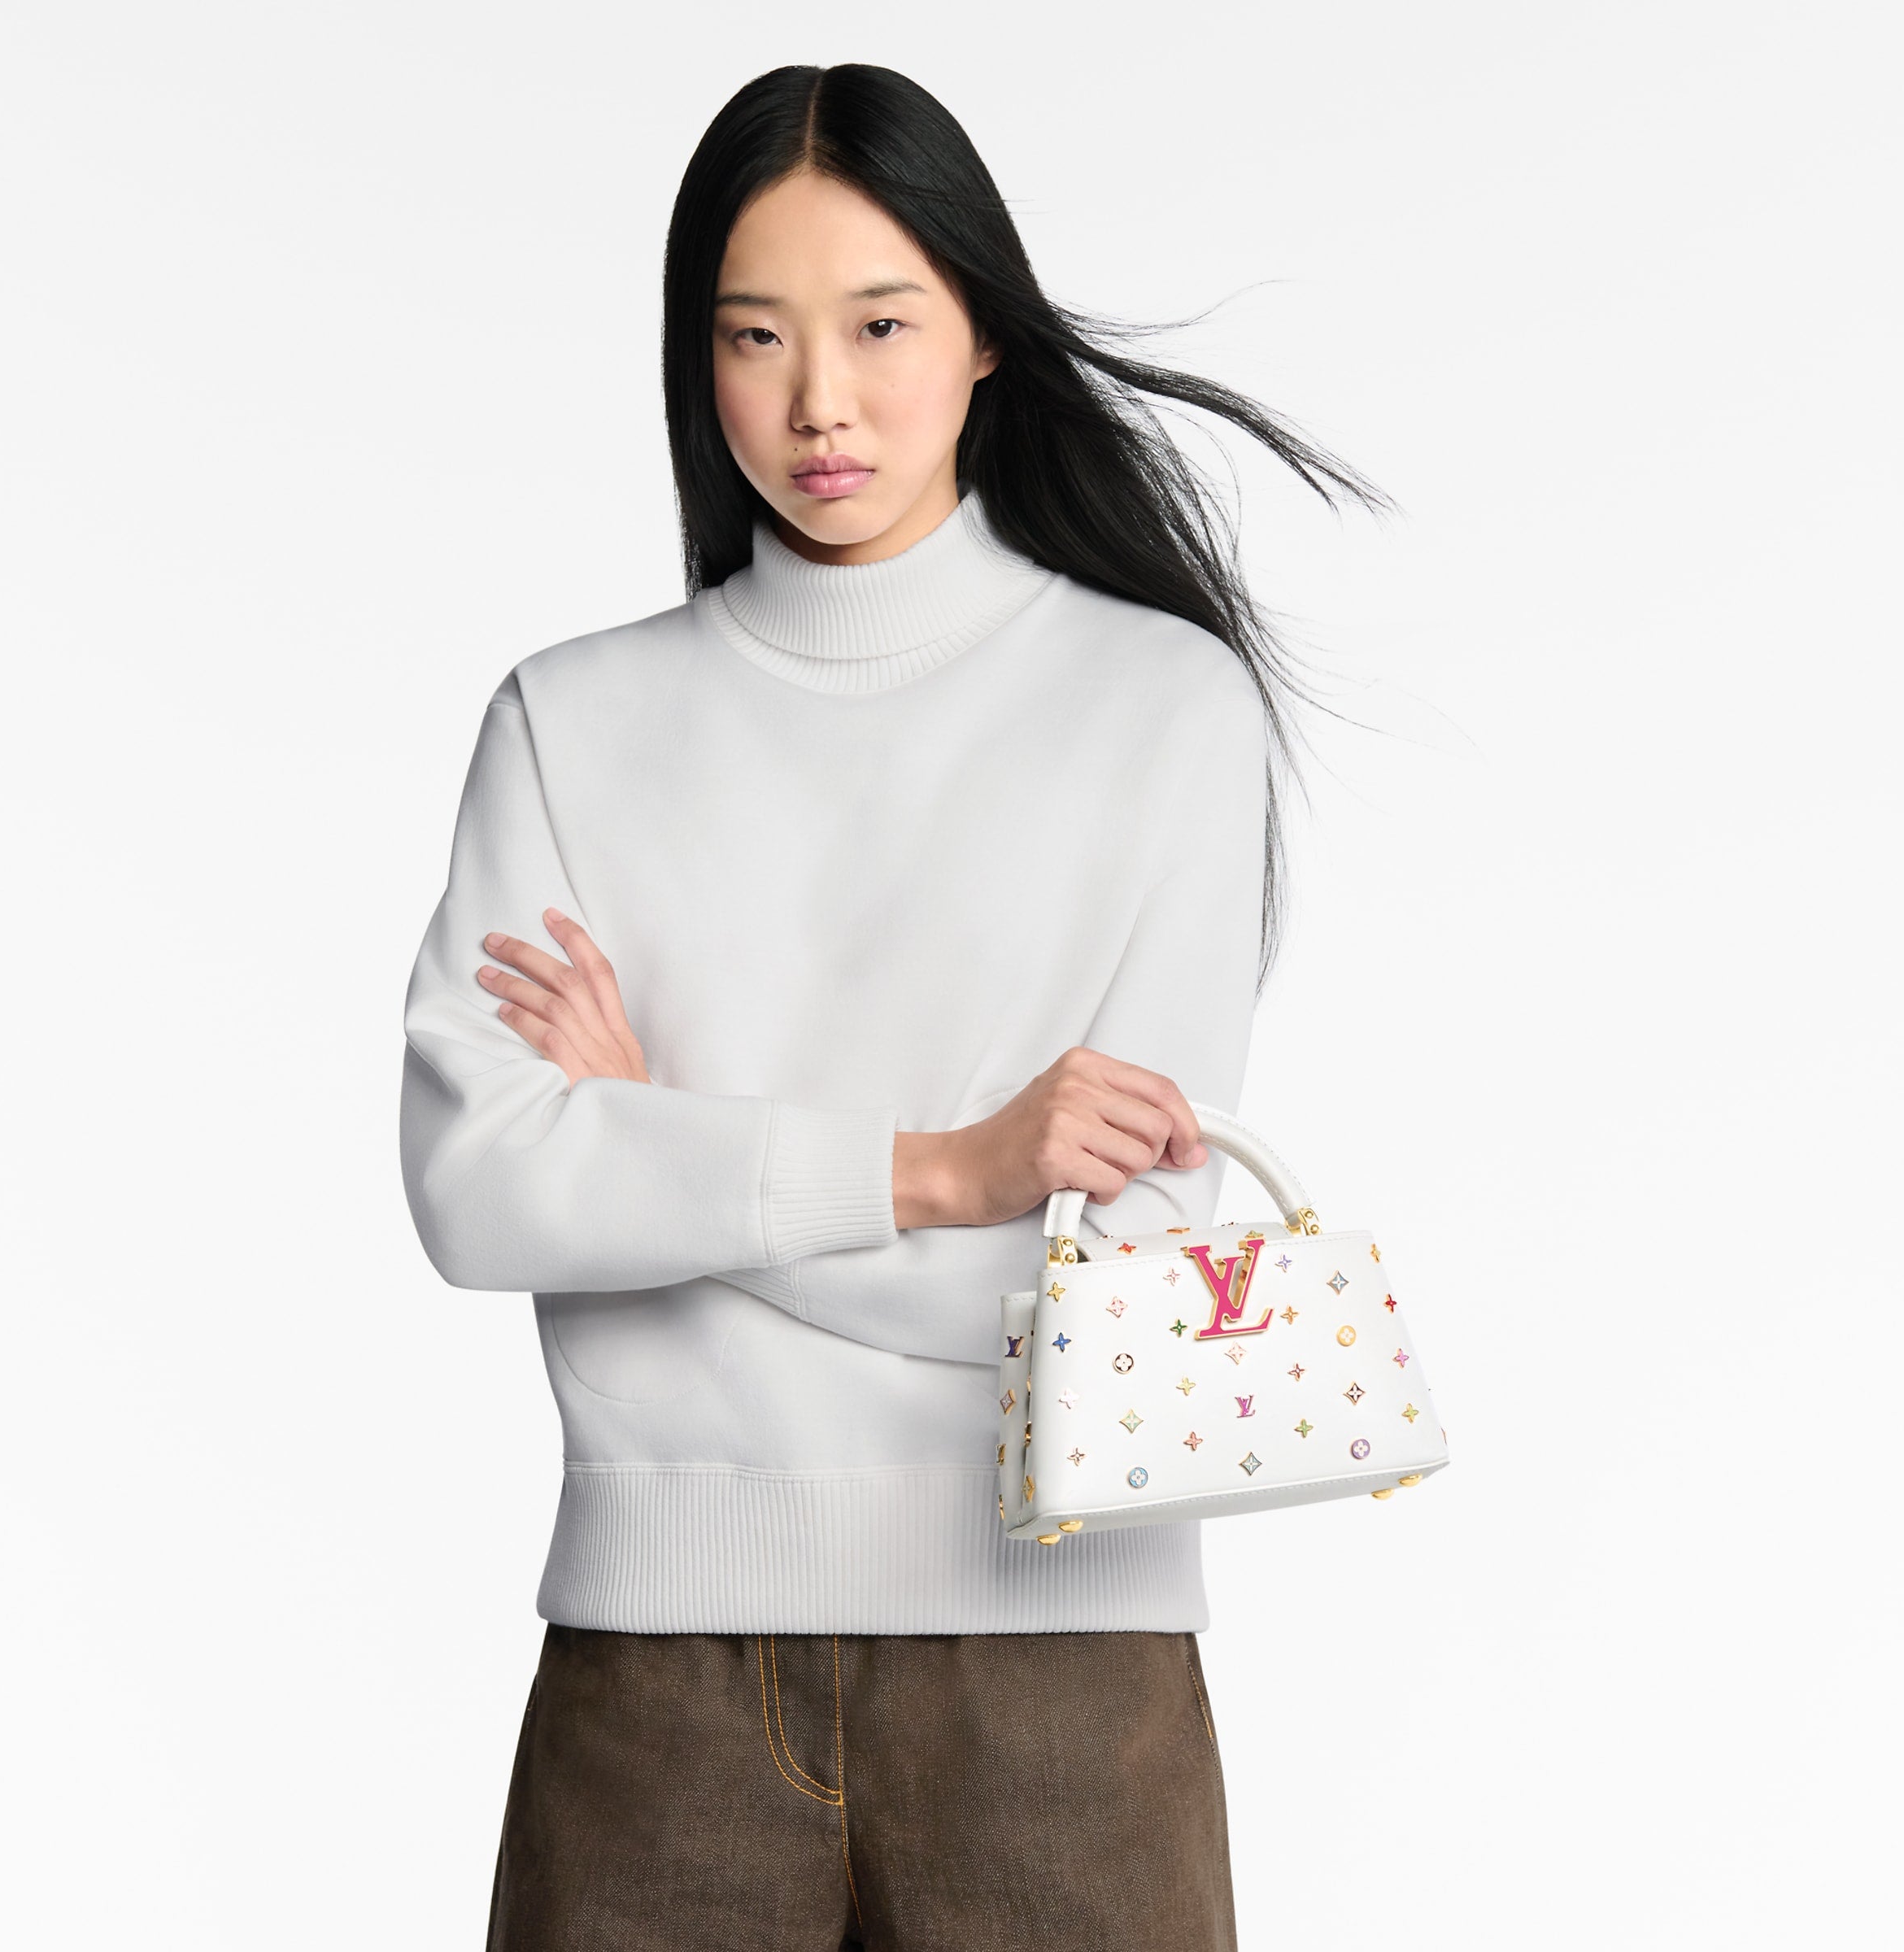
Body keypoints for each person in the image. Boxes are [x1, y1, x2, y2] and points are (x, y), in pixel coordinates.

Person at [398, 59, 1389, 1952]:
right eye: (753, 334)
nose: (819, 402)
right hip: (655, 1686)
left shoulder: (1160, 710)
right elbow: (479, 1197)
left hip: (1064, 1690)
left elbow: (1113, 1292)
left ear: (985, 332)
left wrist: (662, 1165)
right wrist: (947, 1171)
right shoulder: (571, 724)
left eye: (879, 324)